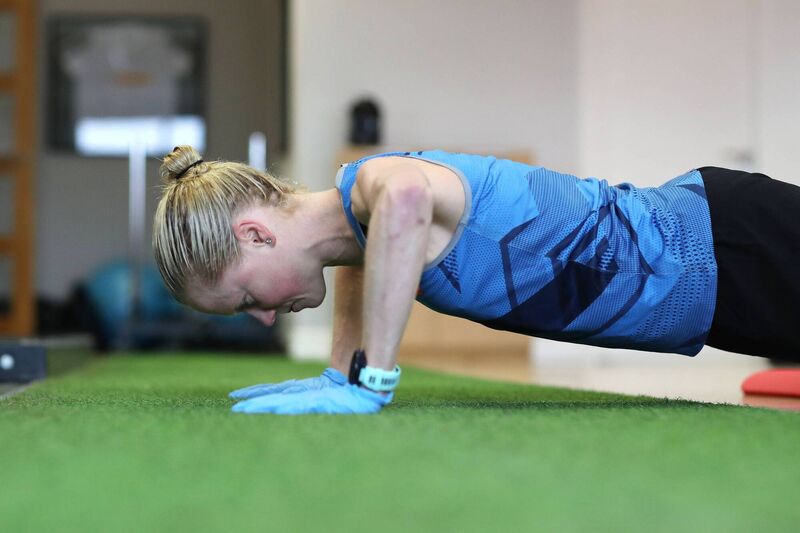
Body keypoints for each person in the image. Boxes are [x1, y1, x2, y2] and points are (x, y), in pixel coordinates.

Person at [153, 145, 800, 415]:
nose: (264, 316)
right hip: (713, 293)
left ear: (256, 234)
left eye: (246, 298)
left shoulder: (379, 182)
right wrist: (338, 374)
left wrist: (372, 381)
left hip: (724, 243)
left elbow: (406, 199)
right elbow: (360, 256)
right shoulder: (357, 220)